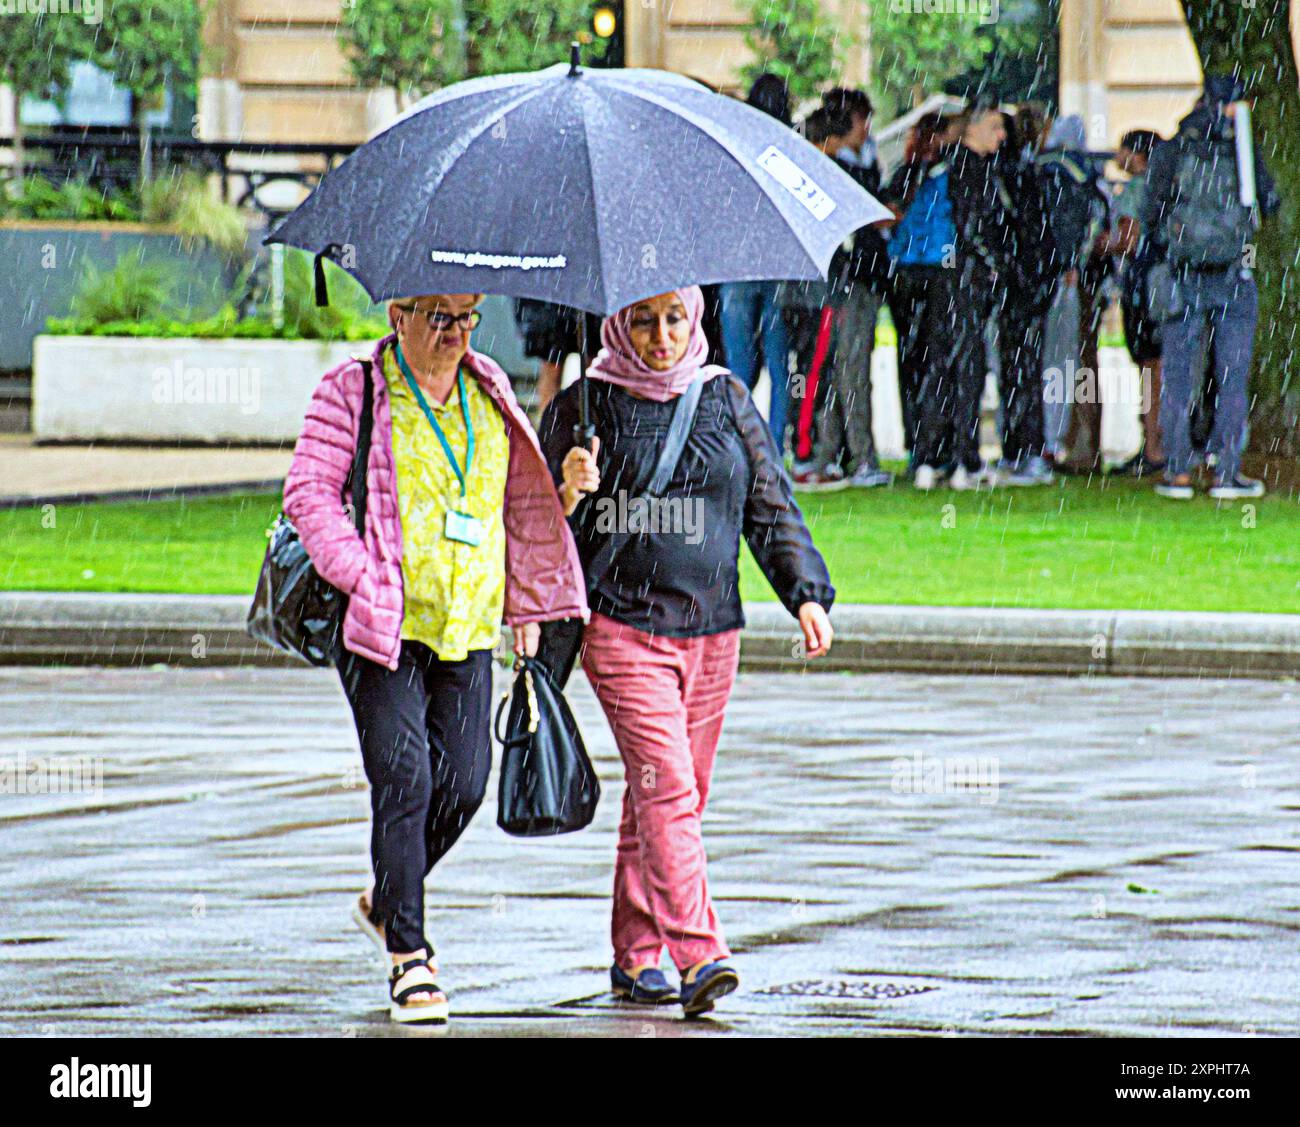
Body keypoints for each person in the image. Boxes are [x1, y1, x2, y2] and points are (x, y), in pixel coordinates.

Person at [284, 292, 590, 1024]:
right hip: (383, 626)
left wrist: (565, 495)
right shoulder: (353, 388)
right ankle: (410, 955)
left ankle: (388, 894)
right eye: (438, 318)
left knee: (466, 784)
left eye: (466, 318)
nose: (455, 333)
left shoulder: (487, 389)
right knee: (406, 778)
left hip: (467, 625)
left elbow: (513, 505)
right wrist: (361, 572)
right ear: (399, 315)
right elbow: (308, 494)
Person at [539, 286, 836, 1017]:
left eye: (675, 318)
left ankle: (636, 956)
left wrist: (804, 591)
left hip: (714, 630)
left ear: (695, 317)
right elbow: (534, 527)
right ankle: (699, 952)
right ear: (618, 323)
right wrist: (568, 490)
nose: (662, 336)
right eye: (643, 321)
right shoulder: (586, 403)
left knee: (671, 793)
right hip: (623, 627)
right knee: (667, 784)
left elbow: (769, 501)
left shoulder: (724, 395)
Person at [1143, 74, 1281, 500]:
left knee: (1179, 378)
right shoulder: (1240, 151)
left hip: (1183, 276)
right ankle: (1226, 472)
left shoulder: (1172, 148)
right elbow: (1268, 203)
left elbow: (1152, 212)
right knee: (1231, 377)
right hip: (1234, 273)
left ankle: (1178, 471)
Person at [909, 105, 1008, 491]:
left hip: (941, 277)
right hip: (965, 279)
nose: (1002, 136)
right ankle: (964, 460)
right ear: (974, 129)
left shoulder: (941, 167)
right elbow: (974, 227)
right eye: (995, 126)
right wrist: (995, 266)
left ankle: (928, 458)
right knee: (967, 367)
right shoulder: (974, 171)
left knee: (939, 365)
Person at [718, 73, 795, 455]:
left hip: (735, 263)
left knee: (739, 367)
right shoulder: (788, 147)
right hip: (776, 263)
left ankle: (738, 447)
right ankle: (774, 450)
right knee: (780, 367)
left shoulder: (735, 142)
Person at [1035, 114, 1110, 471]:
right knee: (1082, 365)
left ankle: (1058, 440)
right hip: (1085, 281)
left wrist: (1065, 263)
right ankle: (1083, 444)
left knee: (1057, 361)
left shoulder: (1050, 170)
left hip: (1063, 279)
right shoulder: (1088, 175)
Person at [883, 112, 958, 464]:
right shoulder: (947, 172)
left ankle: (919, 441)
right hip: (933, 270)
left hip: (909, 270)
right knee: (934, 358)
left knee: (913, 358)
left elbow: (890, 213)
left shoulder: (908, 171)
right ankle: (932, 442)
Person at [991, 110, 1056, 486]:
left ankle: (1021, 448)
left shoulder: (1009, 175)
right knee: (1023, 370)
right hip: (1026, 283)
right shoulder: (1024, 174)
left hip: (1019, 284)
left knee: (1017, 370)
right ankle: (1024, 449)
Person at [1096, 129, 1165, 476]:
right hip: (1167, 282)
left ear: (1137, 155)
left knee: (1149, 365)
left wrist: (1095, 244)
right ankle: (1164, 444)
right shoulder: (1168, 184)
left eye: (1122, 148)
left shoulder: (1135, 190)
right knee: (1163, 363)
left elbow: (1126, 239)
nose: (1116, 154)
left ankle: (1152, 446)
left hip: (1142, 283)